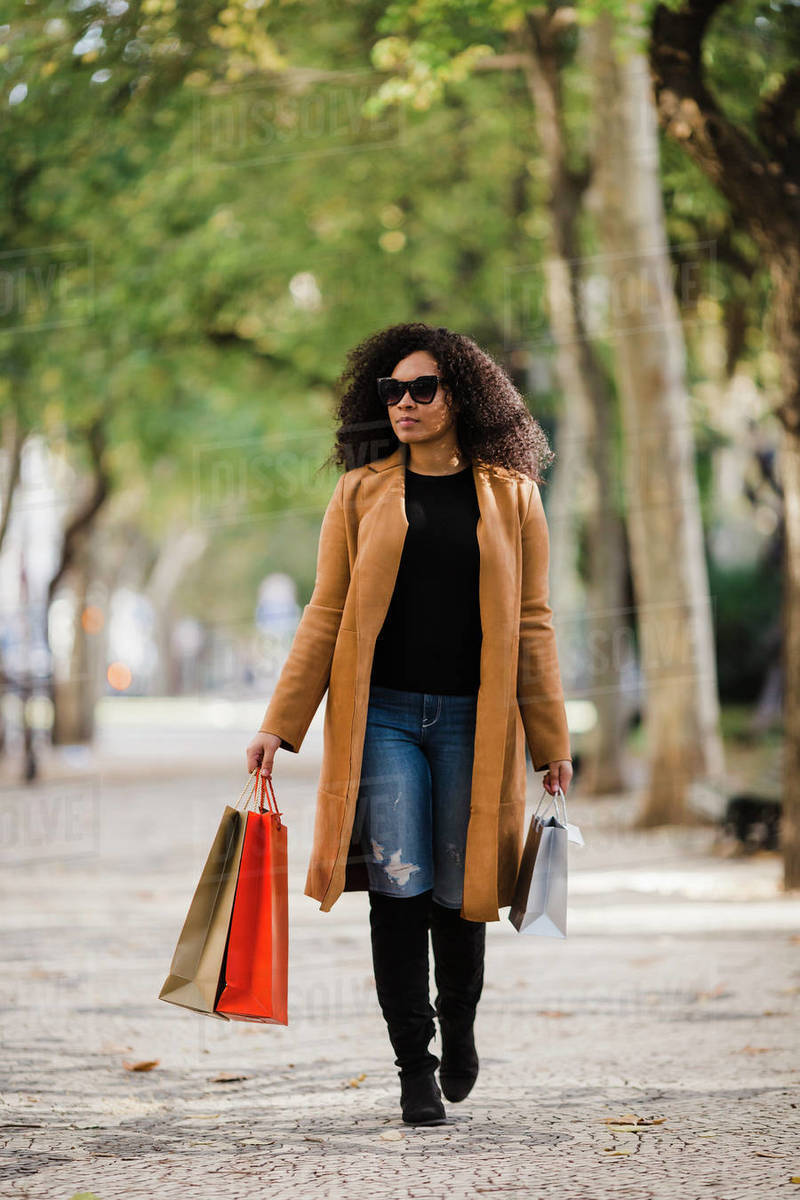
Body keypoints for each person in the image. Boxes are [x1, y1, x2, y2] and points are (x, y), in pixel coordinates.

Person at [247, 322, 573, 1127]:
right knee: (398, 887)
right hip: (382, 718)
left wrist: (551, 743)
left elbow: (533, 622)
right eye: (392, 391)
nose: (404, 403)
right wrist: (279, 725)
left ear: (459, 396)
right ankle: (413, 1069)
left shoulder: (512, 494)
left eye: (421, 389)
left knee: (463, 895)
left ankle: (459, 1025)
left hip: (475, 720)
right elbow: (324, 614)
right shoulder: (360, 493)